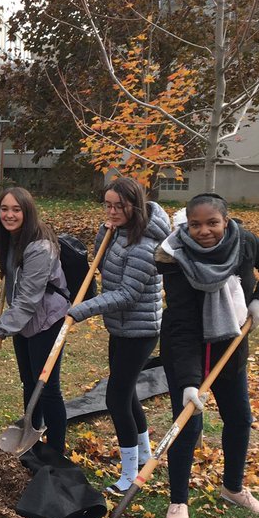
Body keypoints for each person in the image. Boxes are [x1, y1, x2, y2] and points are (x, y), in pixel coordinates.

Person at [156, 192, 259, 518]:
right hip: (187, 346)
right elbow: (183, 323)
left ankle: (233, 488)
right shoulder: (175, 255)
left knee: (240, 418)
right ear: (188, 224)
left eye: (212, 223)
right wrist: (188, 382)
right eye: (196, 224)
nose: (204, 231)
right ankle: (179, 500)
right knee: (188, 423)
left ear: (225, 222)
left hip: (230, 341)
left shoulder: (243, 242)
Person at [66, 177, 171, 491]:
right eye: (107, 205)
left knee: (115, 398)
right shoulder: (114, 230)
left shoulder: (147, 245)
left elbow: (127, 294)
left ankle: (128, 477)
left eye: (119, 206)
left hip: (140, 330)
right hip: (121, 326)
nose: (111, 211)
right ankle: (142, 455)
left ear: (134, 205)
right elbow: (101, 265)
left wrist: (81, 309)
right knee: (125, 394)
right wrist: (104, 232)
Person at [0, 187, 70, 454]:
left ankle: (56, 451)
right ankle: (31, 437)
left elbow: (29, 299)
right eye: (4, 209)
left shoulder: (39, 246)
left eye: (16, 210)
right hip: (24, 321)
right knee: (29, 382)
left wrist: (0, 331)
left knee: (47, 386)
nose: (9, 215)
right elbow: (15, 288)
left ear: (27, 211)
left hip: (47, 320)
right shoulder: (11, 239)